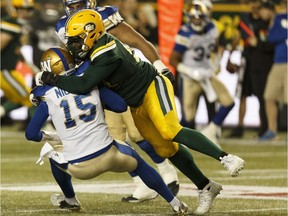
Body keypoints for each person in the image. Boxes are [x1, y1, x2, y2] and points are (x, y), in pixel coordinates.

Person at [35, 9, 246, 215]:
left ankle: (225, 157)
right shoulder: (93, 49)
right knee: (166, 150)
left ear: (92, 32)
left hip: (152, 87)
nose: (73, 46)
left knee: (170, 130)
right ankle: (206, 186)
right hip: (135, 102)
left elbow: (83, 84)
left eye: (76, 39)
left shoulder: (106, 51)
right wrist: (42, 86)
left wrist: (51, 80)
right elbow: (75, 73)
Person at [25, 46, 188, 215]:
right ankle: (175, 203)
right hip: (111, 155)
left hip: (78, 167)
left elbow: (31, 134)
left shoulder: (47, 97)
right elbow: (120, 106)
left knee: (52, 154)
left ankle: (71, 200)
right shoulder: (90, 82)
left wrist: (49, 136)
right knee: (138, 161)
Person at [55, 0, 179, 203]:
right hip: (99, 84)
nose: (75, 9)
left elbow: (138, 41)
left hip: (125, 80)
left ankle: (167, 171)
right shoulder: (63, 25)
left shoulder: (103, 17)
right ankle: (141, 183)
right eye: (72, 5)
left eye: (79, 4)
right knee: (113, 135)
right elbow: (71, 57)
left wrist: (159, 65)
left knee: (138, 133)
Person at [170, 1, 235, 147]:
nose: (196, 20)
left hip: (206, 73)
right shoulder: (185, 32)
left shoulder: (213, 28)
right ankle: (178, 142)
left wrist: (216, 62)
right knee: (188, 116)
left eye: (199, 17)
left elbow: (215, 47)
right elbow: (173, 59)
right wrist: (190, 71)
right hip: (189, 77)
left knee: (228, 101)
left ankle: (211, 131)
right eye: (194, 17)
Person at [227, 0, 275, 138]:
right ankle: (240, 127)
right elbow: (237, 37)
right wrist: (229, 56)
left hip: (261, 61)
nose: (254, 5)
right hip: (247, 60)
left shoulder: (266, 21)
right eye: (251, 2)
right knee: (242, 94)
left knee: (262, 96)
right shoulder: (245, 20)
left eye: (256, 2)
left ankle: (263, 127)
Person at [0, 0, 35, 127]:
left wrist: (30, 66)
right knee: (29, 98)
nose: (24, 13)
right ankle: (38, 128)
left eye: (27, 10)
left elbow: (17, 50)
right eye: (21, 9)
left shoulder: (18, 24)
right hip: (4, 70)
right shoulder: (11, 22)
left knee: (20, 98)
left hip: (9, 70)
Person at [259, 2, 287, 141]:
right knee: (269, 96)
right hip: (278, 62)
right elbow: (271, 38)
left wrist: (281, 33)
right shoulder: (279, 18)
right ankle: (271, 130)